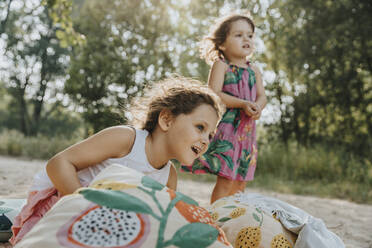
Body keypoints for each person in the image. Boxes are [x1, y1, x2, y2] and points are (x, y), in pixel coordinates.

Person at [10, 76, 223, 245]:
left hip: (108, 229)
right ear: (166, 119)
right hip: (65, 207)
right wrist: (85, 208)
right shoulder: (126, 139)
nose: (205, 141)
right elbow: (59, 164)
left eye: (211, 136)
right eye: (200, 128)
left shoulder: (169, 177)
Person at [182, 13, 267, 203]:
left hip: (247, 134)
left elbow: (262, 96)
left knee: (240, 183)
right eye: (238, 35)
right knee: (227, 179)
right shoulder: (222, 65)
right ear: (222, 44)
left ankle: (230, 219)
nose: (246, 39)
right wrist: (243, 103)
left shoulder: (254, 70)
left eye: (250, 35)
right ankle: (214, 219)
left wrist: (258, 107)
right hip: (229, 130)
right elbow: (214, 93)